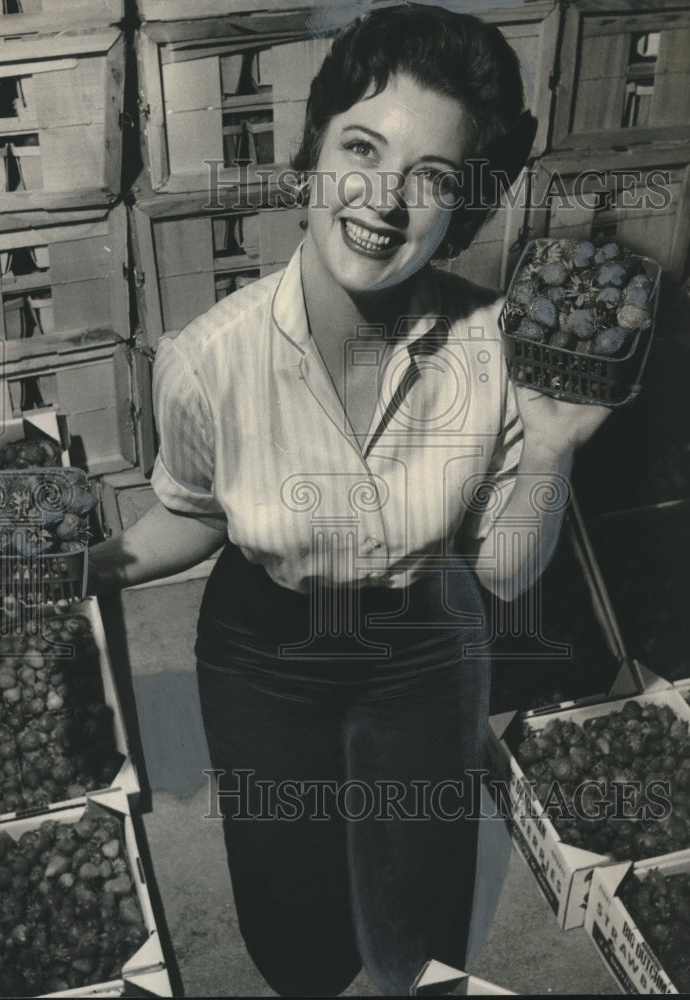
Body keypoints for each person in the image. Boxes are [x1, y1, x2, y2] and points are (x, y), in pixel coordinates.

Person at [89, 5, 610, 995]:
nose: (384, 199)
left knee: (418, 923)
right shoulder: (206, 359)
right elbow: (197, 512)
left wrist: (548, 449)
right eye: (362, 148)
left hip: (427, 634)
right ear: (308, 162)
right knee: (294, 933)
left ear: (462, 209)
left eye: (433, 177)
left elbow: (502, 567)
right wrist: (90, 568)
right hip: (265, 642)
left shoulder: (493, 348)